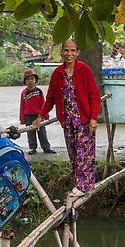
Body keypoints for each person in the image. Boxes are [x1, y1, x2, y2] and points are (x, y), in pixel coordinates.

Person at [33, 39, 101, 196]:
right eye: (66, 50)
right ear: (61, 53)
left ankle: (84, 187)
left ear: (77, 52)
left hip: (83, 120)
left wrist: (93, 118)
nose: (69, 54)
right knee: (74, 153)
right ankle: (82, 184)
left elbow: (94, 96)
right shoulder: (57, 74)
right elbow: (50, 99)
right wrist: (40, 116)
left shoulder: (85, 70)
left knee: (85, 153)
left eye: (73, 51)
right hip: (68, 121)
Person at [19, 69, 56, 155]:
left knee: (42, 132)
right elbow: (22, 106)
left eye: (32, 78)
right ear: (25, 82)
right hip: (28, 115)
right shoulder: (24, 93)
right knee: (30, 133)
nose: (30, 81)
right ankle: (32, 147)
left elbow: (43, 104)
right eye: (28, 79)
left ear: (35, 80)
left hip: (38, 115)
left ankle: (46, 147)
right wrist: (22, 119)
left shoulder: (38, 91)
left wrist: (45, 115)